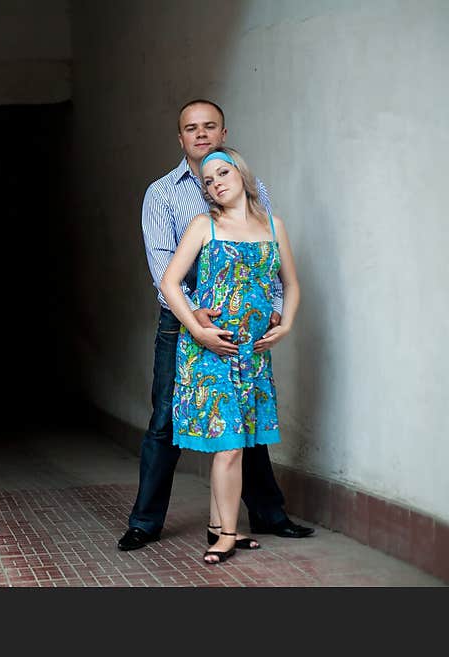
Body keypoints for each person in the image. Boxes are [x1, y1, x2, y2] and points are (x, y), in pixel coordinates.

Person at [117, 100, 313, 552]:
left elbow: (268, 259)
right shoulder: (163, 193)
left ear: (223, 133)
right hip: (182, 323)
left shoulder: (251, 186)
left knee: (246, 423)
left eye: (209, 126)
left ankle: (266, 514)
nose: (201, 134)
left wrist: (278, 310)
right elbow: (163, 269)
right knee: (166, 420)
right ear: (180, 138)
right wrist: (196, 318)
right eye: (191, 128)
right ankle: (145, 522)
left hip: (245, 331)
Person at [160, 146, 300, 563]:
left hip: (252, 355)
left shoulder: (273, 226)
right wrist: (198, 329)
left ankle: (216, 524)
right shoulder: (205, 225)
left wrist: (286, 325)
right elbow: (170, 284)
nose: (216, 182)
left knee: (238, 441)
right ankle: (227, 533)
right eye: (208, 180)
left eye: (223, 173)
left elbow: (291, 284)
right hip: (211, 351)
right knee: (228, 446)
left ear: (241, 173)